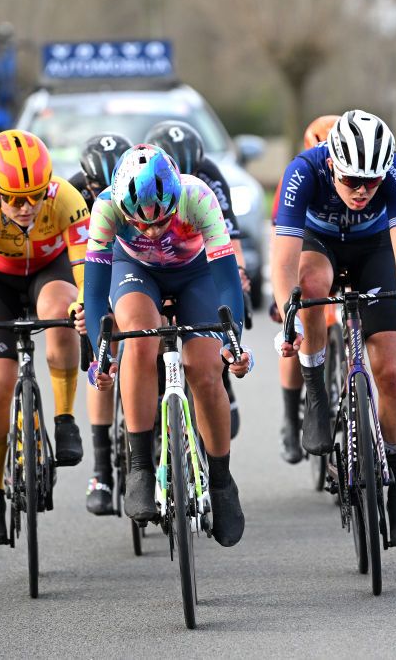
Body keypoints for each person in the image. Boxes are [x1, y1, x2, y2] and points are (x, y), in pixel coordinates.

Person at [273, 110, 396, 547]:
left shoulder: (395, 168)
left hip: (374, 249)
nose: (363, 191)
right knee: (310, 284)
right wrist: (287, 317)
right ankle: (317, 391)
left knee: (392, 370)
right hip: (319, 245)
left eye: (372, 181)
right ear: (332, 165)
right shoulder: (303, 170)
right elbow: (283, 260)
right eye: (352, 181)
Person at [80, 145, 252, 548]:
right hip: (135, 272)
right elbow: (93, 293)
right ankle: (139, 465)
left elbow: (227, 281)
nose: (153, 231)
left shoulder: (198, 197)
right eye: (141, 224)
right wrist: (100, 356)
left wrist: (233, 343)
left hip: (197, 275)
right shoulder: (105, 207)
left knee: (206, 370)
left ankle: (222, 481)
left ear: (177, 199)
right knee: (138, 340)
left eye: (162, 220)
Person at [0, 129, 88, 545]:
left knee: (62, 313)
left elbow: (85, 273)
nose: (26, 207)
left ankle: (64, 419)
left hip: (50, 273)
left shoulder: (66, 200)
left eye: (36, 195)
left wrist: (85, 306)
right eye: (14, 198)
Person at [145, 120, 249, 441]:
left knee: (224, 305)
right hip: (152, 260)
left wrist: (240, 273)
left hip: (199, 256)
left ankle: (218, 374)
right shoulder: (146, 175)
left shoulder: (207, 176)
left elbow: (229, 234)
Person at [269, 114, 339, 464]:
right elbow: (280, 239)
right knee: (298, 327)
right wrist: (279, 296)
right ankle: (289, 414)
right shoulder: (297, 175)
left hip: (344, 250)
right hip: (308, 250)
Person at [68, 133, 131, 516]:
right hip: (91, 267)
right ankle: (102, 469)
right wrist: (80, 304)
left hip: (135, 264)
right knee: (100, 359)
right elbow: (72, 260)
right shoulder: (76, 195)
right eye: (97, 188)